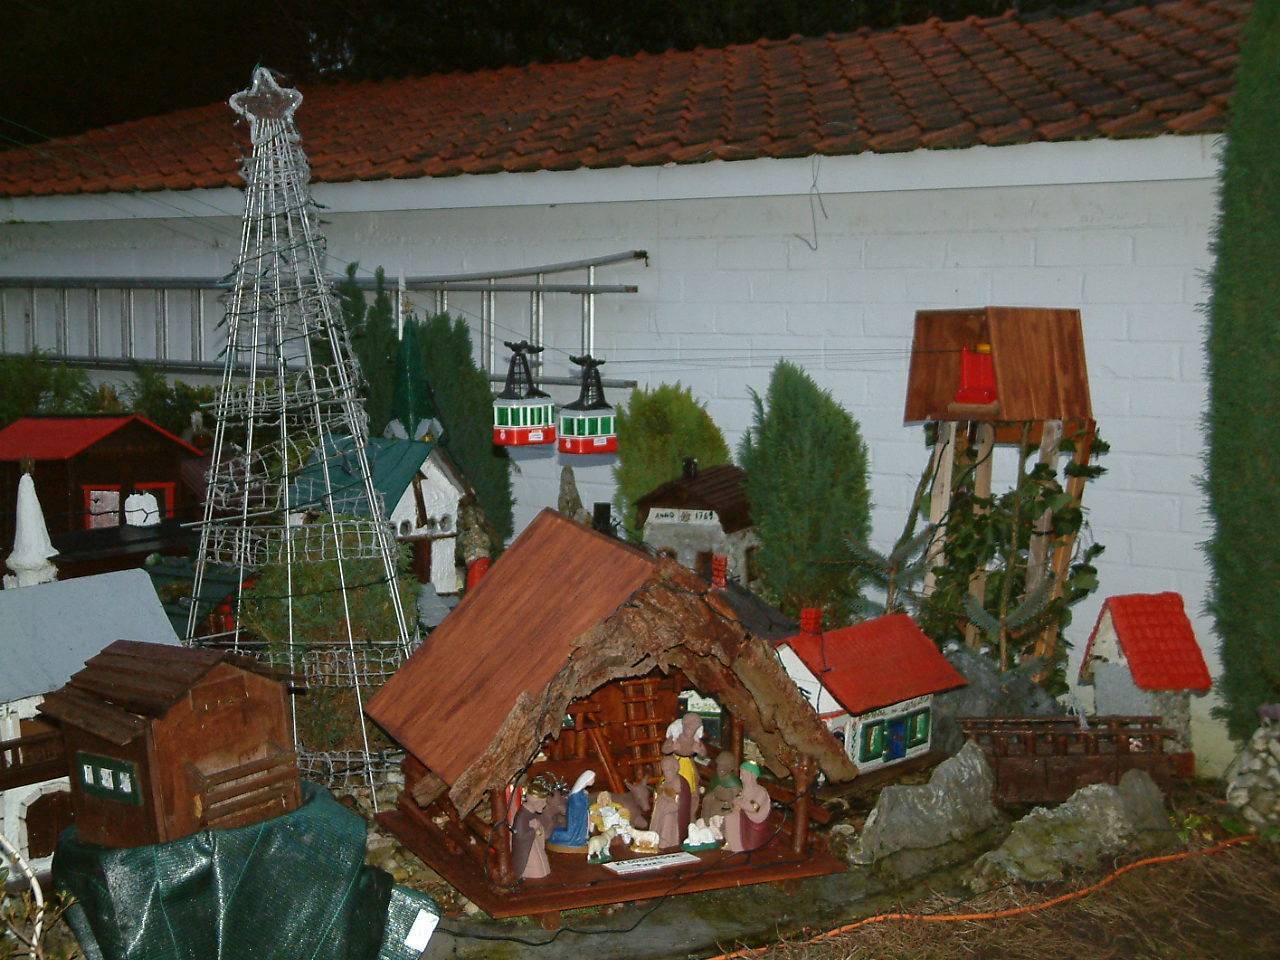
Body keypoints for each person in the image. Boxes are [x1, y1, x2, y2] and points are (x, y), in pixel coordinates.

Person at [723, 761, 771, 853]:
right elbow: (737, 799)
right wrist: (737, 802)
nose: (741, 777)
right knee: (729, 816)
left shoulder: (760, 792)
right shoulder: (745, 789)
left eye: (744, 774)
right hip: (745, 815)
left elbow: (754, 807)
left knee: (733, 818)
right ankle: (731, 843)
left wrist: (739, 803)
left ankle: (738, 846)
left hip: (755, 820)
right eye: (741, 774)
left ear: (752, 776)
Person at [547, 770, 595, 854]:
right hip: (576, 820)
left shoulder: (582, 792)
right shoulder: (576, 795)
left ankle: (580, 838)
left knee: (581, 836)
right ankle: (556, 834)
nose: (593, 780)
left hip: (581, 819)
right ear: (587, 779)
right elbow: (577, 807)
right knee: (572, 836)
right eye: (592, 779)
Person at [649, 755, 691, 849]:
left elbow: (680, 802)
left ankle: (666, 840)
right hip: (662, 808)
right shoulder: (664, 781)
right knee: (657, 812)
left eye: (668, 771)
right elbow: (659, 793)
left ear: (675, 769)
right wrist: (659, 793)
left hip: (674, 812)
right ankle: (655, 836)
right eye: (664, 771)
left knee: (668, 817)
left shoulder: (679, 782)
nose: (666, 774)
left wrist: (669, 805)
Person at [511, 783, 551, 879]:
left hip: (535, 845)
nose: (545, 805)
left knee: (542, 866)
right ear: (535, 802)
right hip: (528, 851)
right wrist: (533, 829)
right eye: (543, 802)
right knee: (537, 867)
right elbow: (519, 837)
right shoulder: (521, 816)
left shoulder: (532, 812)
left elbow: (539, 829)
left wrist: (538, 828)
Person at [702, 750, 743, 820]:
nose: (720, 768)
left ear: (731, 767)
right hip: (714, 808)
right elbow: (709, 794)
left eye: (724, 765)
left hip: (727, 810)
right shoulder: (715, 779)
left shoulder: (734, 782)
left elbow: (737, 801)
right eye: (719, 765)